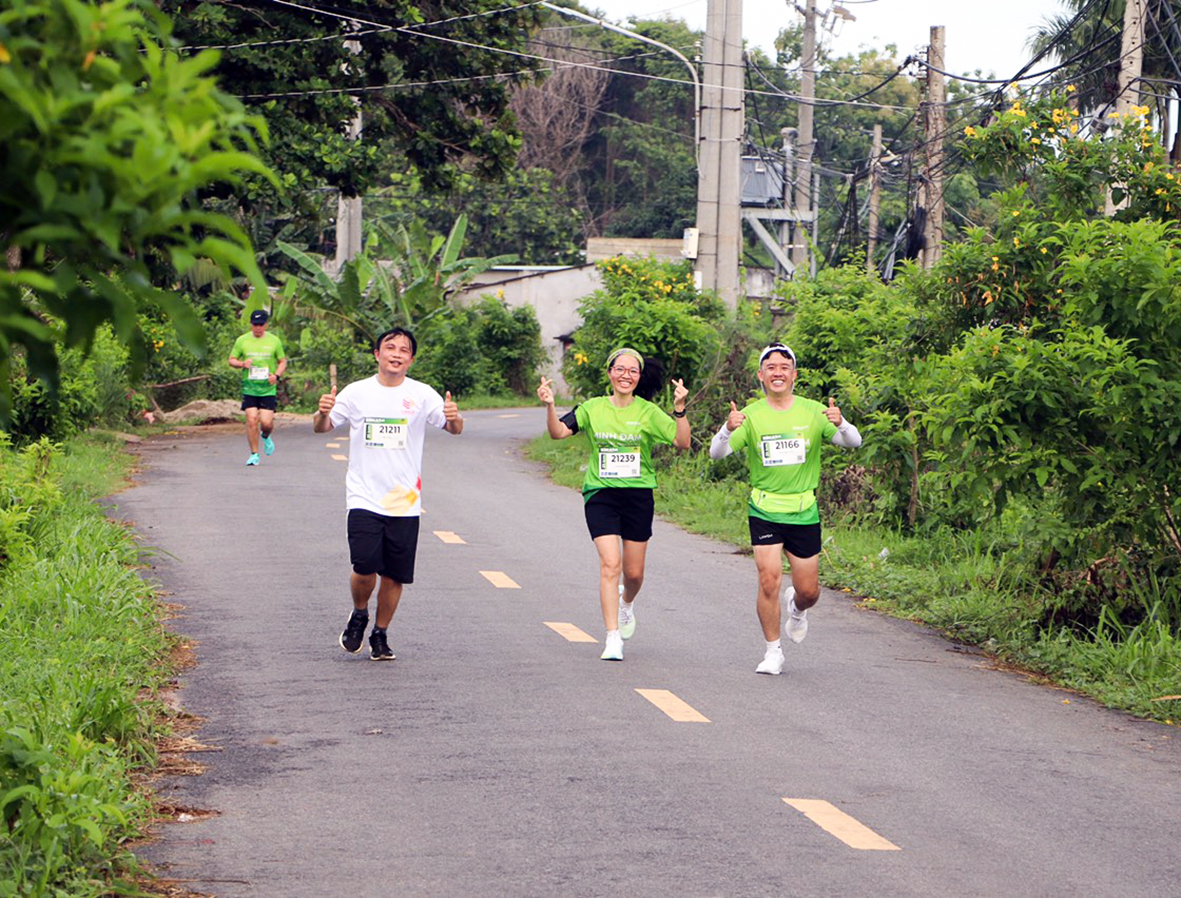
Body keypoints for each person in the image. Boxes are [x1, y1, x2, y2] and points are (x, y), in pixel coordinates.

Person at [709, 343, 862, 676]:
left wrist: (842, 421)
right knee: (768, 580)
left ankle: (796, 607)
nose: (777, 372)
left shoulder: (814, 412)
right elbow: (716, 454)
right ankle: (773, 651)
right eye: (771, 367)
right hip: (764, 508)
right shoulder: (750, 415)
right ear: (761, 376)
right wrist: (727, 429)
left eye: (784, 367)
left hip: (804, 510)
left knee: (809, 591)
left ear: (794, 375)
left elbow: (853, 443)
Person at [313, 327, 462, 661]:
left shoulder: (423, 394)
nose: (396, 353)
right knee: (364, 566)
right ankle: (359, 612)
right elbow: (322, 427)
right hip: (363, 496)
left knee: (394, 575)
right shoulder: (356, 392)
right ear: (377, 354)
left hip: (404, 500)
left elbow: (452, 428)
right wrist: (323, 412)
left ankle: (380, 634)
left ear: (411, 358)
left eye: (404, 349)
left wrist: (455, 417)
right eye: (389, 347)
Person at [537, 348, 690, 661]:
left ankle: (627, 603)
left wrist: (679, 409)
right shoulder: (592, 408)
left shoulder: (647, 412)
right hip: (601, 495)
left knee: (633, 574)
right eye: (620, 369)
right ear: (610, 373)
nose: (626, 375)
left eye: (632, 371)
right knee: (611, 564)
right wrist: (550, 406)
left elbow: (682, 442)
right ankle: (612, 637)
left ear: (638, 377)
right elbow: (558, 433)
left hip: (637, 496)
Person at [228, 309, 287, 467]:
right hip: (250, 388)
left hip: (267, 389)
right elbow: (231, 359)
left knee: (266, 423)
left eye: (261, 324)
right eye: (255, 324)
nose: (258, 327)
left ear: (266, 325)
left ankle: (266, 436)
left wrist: (277, 376)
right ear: (251, 324)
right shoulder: (242, 340)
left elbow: (282, 361)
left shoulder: (274, 341)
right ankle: (254, 454)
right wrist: (242, 364)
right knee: (251, 419)